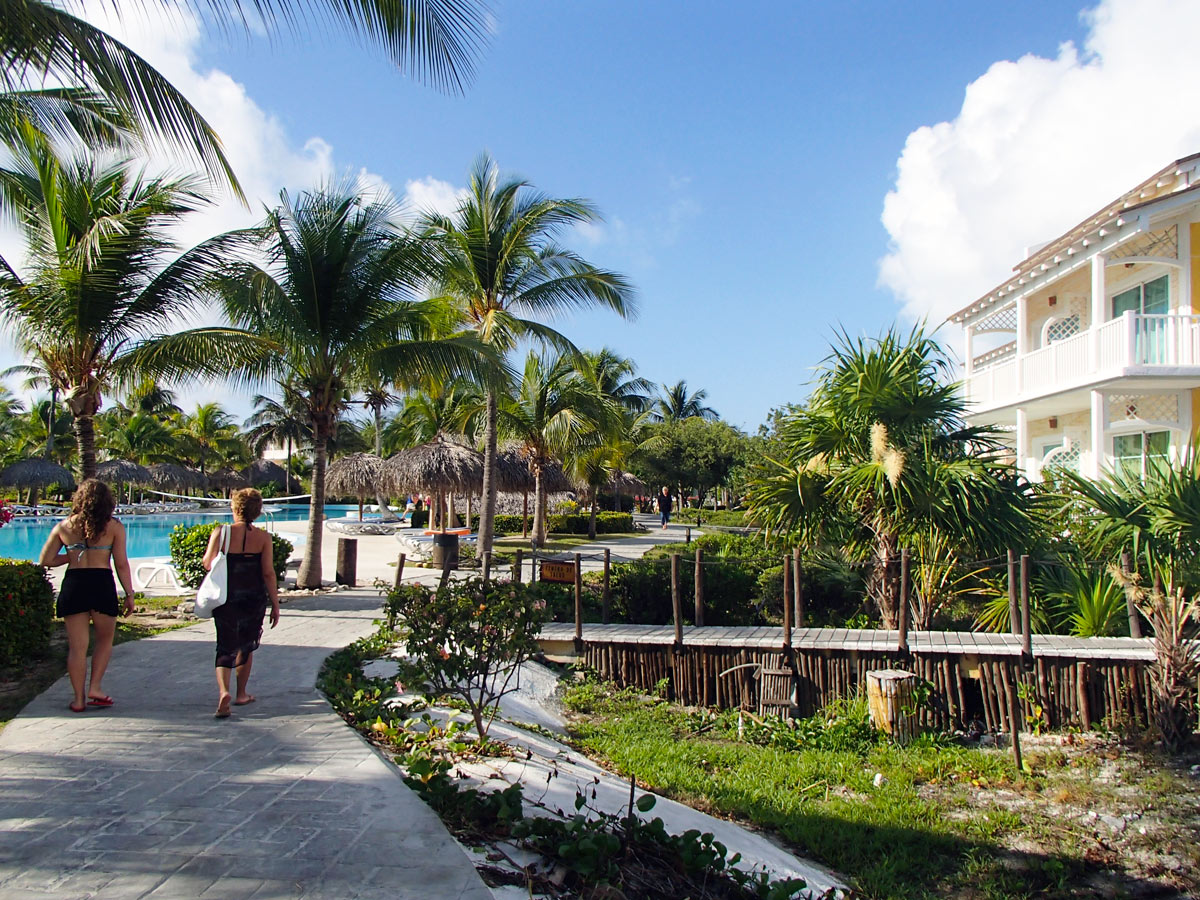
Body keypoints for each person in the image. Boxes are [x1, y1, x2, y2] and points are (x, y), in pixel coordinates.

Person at [39, 479, 134, 713]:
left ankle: (79, 699)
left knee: (77, 648)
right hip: (101, 583)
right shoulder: (114, 527)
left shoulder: (64, 527)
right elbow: (121, 564)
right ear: (107, 501)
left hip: (75, 584)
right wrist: (129, 594)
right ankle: (96, 688)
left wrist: (71, 556)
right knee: (104, 640)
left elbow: (45, 560)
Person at [202, 487, 280, 718]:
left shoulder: (221, 532)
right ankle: (241, 693)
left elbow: (208, 563)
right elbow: (268, 573)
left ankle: (223, 691)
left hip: (227, 597)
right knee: (247, 644)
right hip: (253, 597)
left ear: (235, 508)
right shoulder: (264, 538)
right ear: (257, 511)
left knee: (225, 645)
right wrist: (275, 604)